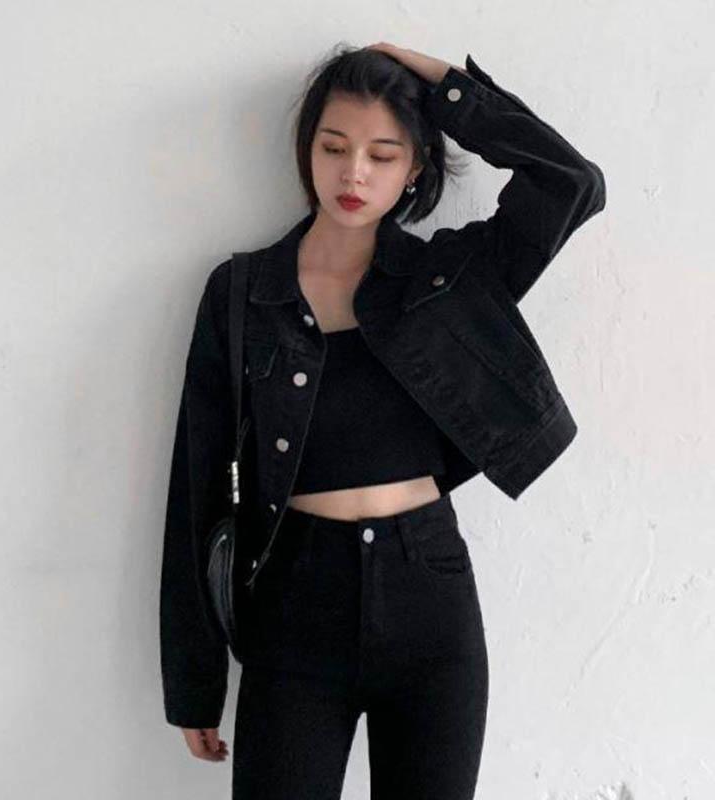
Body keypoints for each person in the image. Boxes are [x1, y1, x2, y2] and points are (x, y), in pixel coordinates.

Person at [159, 42, 606, 799]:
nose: (354, 174)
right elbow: (198, 485)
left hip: (429, 600)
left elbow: (572, 183)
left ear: (415, 169)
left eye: (382, 154)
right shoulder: (241, 294)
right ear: (307, 151)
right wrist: (194, 682)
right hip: (294, 607)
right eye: (334, 148)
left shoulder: (448, 280)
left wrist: (445, 86)